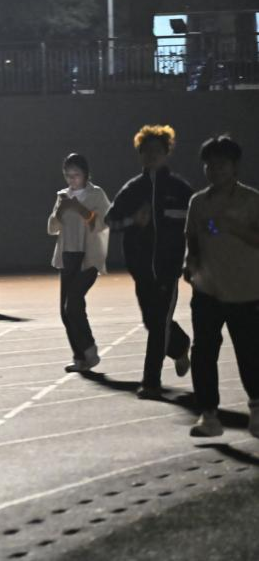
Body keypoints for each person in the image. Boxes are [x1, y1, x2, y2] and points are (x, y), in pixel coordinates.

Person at [105, 125, 193, 400]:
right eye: (146, 151)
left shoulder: (180, 189)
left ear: (167, 152)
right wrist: (133, 220)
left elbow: (200, 223)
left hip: (168, 269)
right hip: (141, 270)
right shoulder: (133, 189)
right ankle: (180, 345)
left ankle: (151, 381)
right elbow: (110, 221)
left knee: (158, 326)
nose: (151, 155)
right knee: (151, 321)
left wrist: (198, 252)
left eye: (157, 150)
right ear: (139, 154)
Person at [183, 135, 259, 438]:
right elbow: (192, 238)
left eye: (221, 165)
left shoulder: (251, 200)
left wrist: (234, 228)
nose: (215, 170)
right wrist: (190, 262)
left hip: (246, 290)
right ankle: (209, 415)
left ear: (235, 166)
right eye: (209, 165)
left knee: (250, 353)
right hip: (207, 290)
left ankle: (256, 410)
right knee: (203, 353)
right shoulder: (198, 202)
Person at [47, 154, 111, 372]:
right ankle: (80, 358)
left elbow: (103, 223)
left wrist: (80, 209)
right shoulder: (62, 195)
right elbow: (52, 228)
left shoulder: (96, 194)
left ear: (86, 174)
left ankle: (89, 350)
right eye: (68, 175)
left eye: (76, 175)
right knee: (65, 311)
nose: (72, 180)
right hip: (67, 256)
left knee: (73, 303)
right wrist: (60, 210)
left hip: (88, 257)